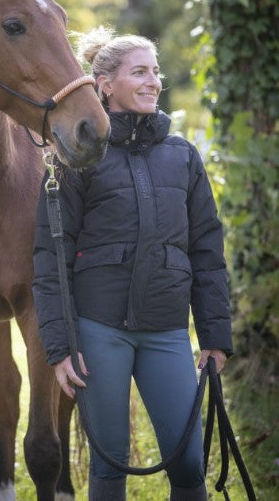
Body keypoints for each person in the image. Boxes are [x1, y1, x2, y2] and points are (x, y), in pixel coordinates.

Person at [32, 26, 233, 501]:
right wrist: (60, 347)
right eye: (139, 71)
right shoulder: (74, 160)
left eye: (156, 71)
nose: (153, 81)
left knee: (187, 461)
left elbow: (207, 250)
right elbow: (50, 259)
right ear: (105, 84)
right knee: (110, 461)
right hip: (100, 332)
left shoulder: (182, 156)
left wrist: (214, 337)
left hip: (166, 331)